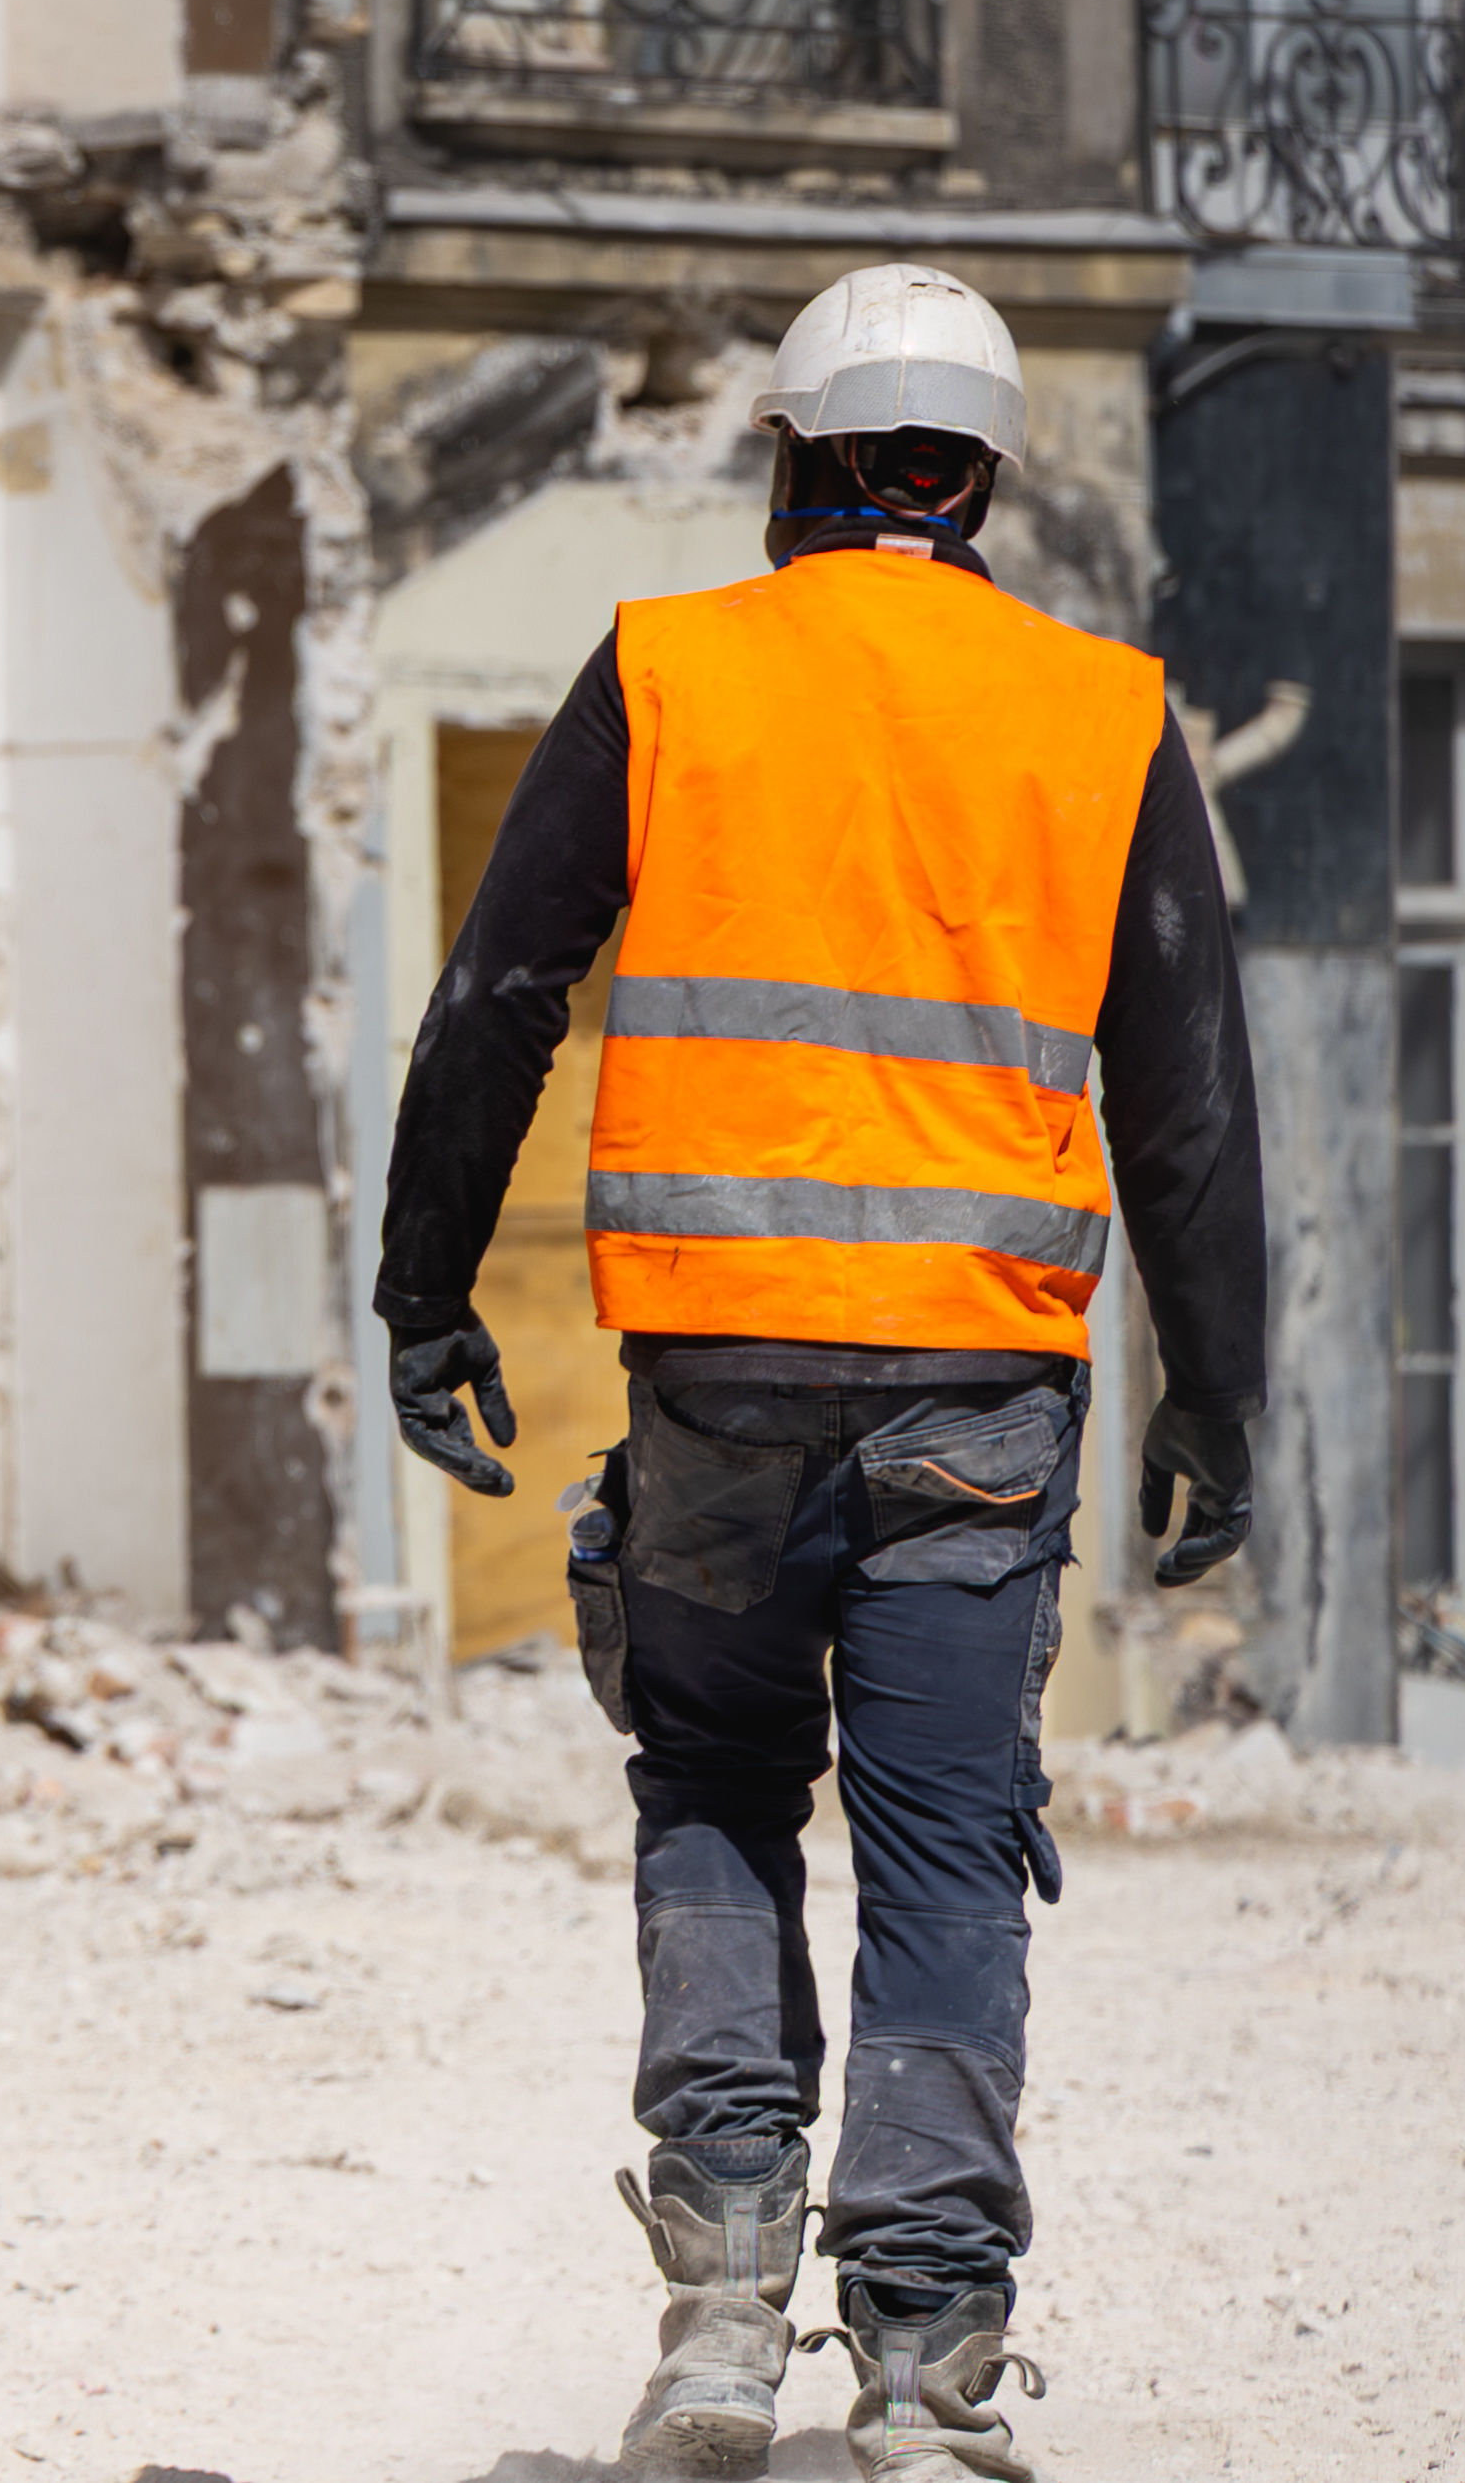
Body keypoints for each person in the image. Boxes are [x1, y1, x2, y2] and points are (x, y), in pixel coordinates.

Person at [373, 263, 1268, 2481]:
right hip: (973, 1392)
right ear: (977, 481)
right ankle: (926, 2368)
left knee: (710, 1794)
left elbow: (496, 987)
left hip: (711, 1387)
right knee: (946, 1847)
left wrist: (421, 1290)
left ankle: (708, 2319)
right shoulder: (1097, 710)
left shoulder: (670, 666)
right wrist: (1214, 1396)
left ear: (795, 458)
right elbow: (1186, 1102)